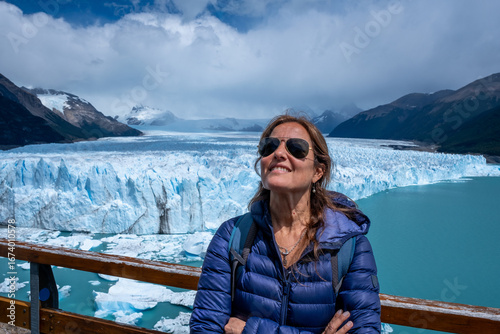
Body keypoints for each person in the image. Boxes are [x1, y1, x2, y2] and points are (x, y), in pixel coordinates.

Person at [190, 114, 381, 333]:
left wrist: (251, 330)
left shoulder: (349, 246)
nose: (279, 153)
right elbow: (205, 328)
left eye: (296, 148)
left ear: (318, 171)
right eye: (268, 146)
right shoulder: (233, 235)